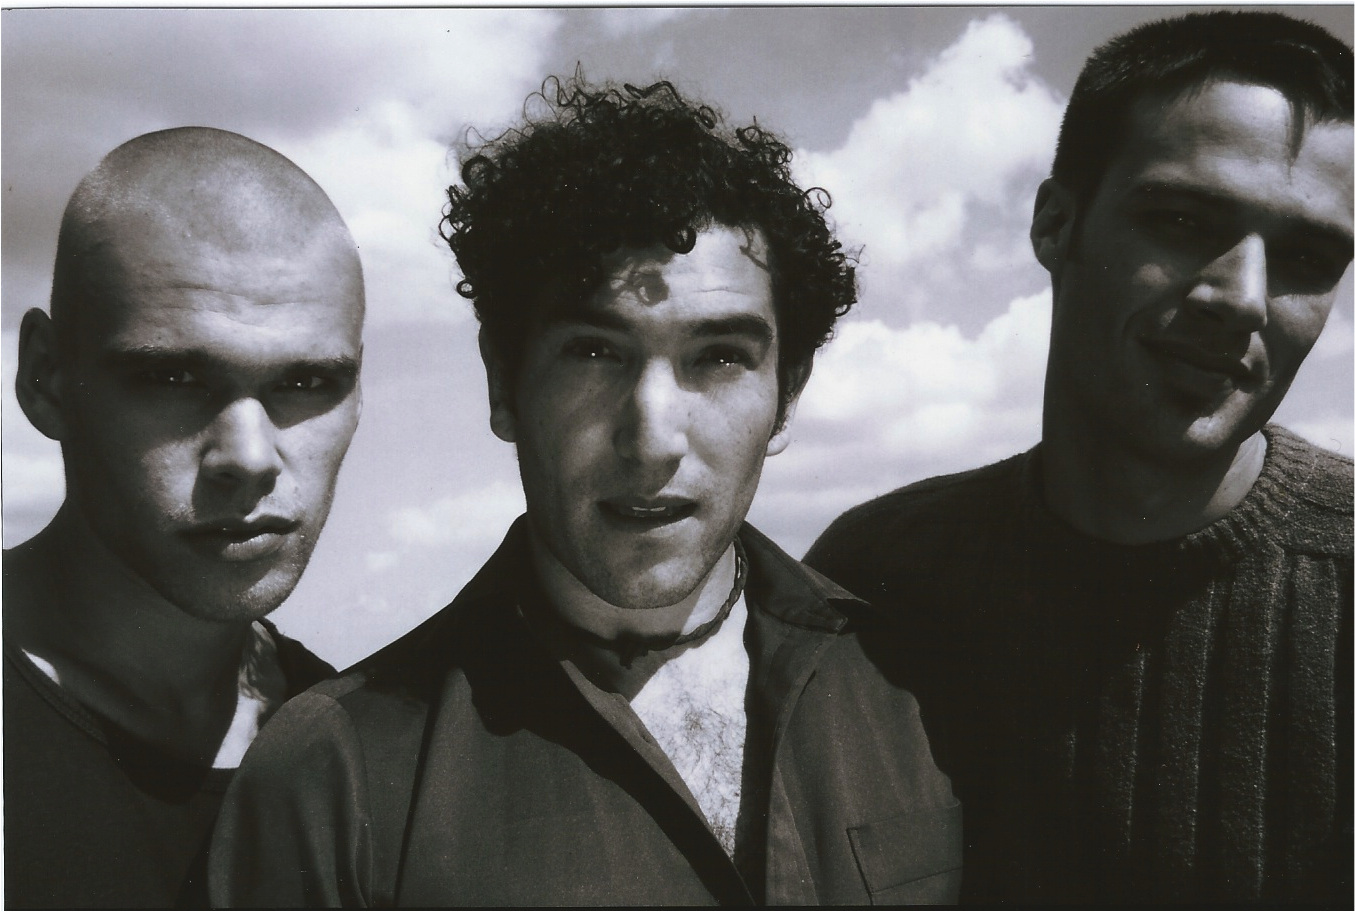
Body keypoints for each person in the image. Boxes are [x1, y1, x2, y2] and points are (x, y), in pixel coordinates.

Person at [210, 77, 961, 907]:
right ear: (504, 383)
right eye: (595, 354)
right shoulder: (332, 776)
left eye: (718, 357)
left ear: (786, 395)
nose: (653, 438)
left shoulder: (929, 689)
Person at [805, 10, 1352, 906]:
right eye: (1182, 220)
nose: (1243, 298)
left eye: (1306, 256)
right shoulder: (872, 581)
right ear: (1055, 224)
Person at [3, 127, 365, 908]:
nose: (250, 457)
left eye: (307, 382)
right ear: (45, 377)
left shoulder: (358, 755)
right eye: (172, 377)